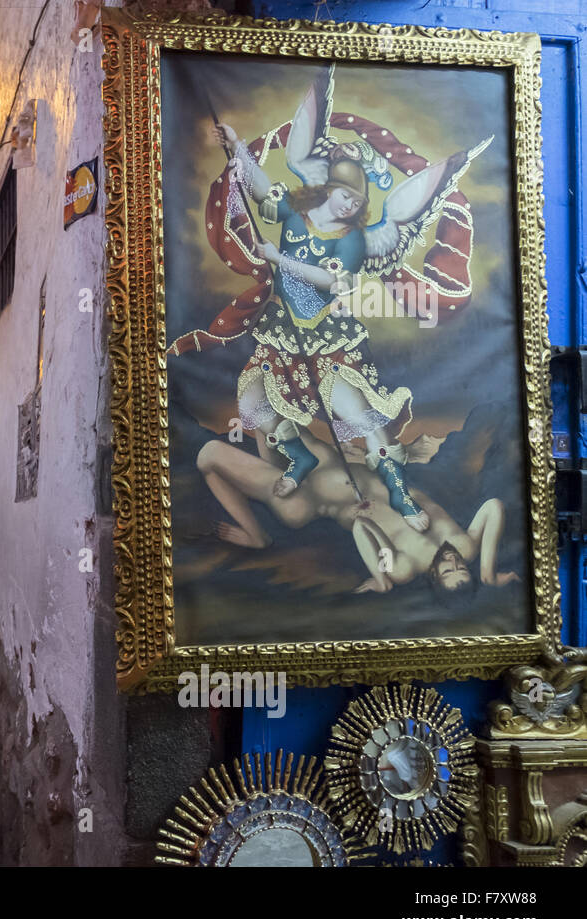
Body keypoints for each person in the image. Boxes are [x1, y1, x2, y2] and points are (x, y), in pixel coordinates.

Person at [169, 65, 490, 535]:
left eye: (356, 202)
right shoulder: (296, 211)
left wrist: (281, 260)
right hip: (282, 329)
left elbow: (326, 276)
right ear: (327, 187)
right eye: (343, 195)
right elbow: (259, 187)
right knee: (256, 400)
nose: (348, 206)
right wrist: (237, 146)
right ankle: (296, 458)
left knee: (357, 416)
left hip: (325, 338)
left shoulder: (357, 239)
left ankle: (399, 494)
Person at [195, 433, 520, 601]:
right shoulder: (466, 546)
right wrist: (488, 573)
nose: (453, 562)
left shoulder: (405, 568)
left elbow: (362, 528)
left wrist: (380, 579)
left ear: (435, 578)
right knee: (273, 413)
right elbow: (493, 506)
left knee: (210, 454)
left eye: (448, 571)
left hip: (312, 498)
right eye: (461, 568)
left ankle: (256, 536)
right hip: (338, 467)